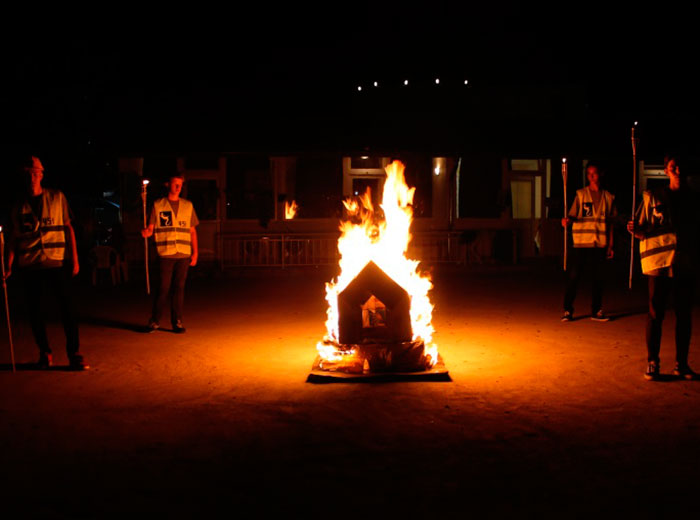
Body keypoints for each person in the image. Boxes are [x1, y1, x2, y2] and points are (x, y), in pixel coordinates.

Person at [3, 156, 88, 370]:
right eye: (28, 173)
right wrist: (8, 265)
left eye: (35, 173)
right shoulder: (18, 206)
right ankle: (45, 352)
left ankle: (74, 353)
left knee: (67, 309)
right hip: (30, 265)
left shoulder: (57, 197)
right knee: (35, 312)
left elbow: (69, 229)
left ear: (41, 175)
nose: (31, 177)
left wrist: (75, 259)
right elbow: (13, 239)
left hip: (56, 263)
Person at [628, 156, 699, 381]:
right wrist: (634, 230)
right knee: (655, 313)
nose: (677, 169)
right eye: (673, 166)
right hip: (659, 264)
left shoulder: (694, 198)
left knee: (684, 314)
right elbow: (642, 230)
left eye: (680, 165)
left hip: (685, 263)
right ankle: (653, 361)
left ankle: (682, 364)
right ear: (666, 170)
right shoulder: (654, 197)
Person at [141, 173, 199, 333]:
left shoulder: (188, 206)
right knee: (163, 288)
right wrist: (146, 232)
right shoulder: (158, 205)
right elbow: (151, 228)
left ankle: (177, 321)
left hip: (183, 254)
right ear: (168, 185)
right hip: (165, 253)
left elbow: (192, 231)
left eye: (180, 184)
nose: (178, 187)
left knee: (179, 288)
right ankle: (155, 320)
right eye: (175, 184)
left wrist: (195, 253)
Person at [561, 162, 617, 322]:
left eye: (594, 173)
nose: (591, 176)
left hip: (599, 243)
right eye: (589, 174)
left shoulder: (608, 197)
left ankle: (596, 310)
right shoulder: (581, 194)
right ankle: (567, 310)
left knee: (598, 278)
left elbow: (611, 223)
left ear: (601, 174)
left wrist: (611, 245)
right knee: (574, 277)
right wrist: (567, 220)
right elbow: (572, 215)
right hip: (581, 243)